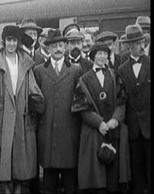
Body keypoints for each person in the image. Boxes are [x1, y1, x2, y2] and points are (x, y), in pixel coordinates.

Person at [0, 25, 45, 194]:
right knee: (5, 160)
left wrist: (34, 110)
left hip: (22, 120)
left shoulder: (25, 62)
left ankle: (17, 190)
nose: (11, 43)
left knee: (20, 162)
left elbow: (34, 90)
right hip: (3, 120)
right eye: (8, 40)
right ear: (4, 41)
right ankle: (7, 191)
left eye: (14, 40)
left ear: (18, 42)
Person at [71, 42, 130, 194]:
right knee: (96, 181)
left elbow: (122, 102)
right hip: (93, 134)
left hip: (113, 132)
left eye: (105, 53)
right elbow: (81, 108)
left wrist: (115, 120)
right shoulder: (83, 79)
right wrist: (99, 123)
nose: (103, 56)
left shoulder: (115, 75)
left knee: (113, 180)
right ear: (93, 56)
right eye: (99, 53)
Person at [33, 29, 82, 194]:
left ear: (66, 47)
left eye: (61, 45)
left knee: (70, 184)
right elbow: (35, 100)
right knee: (48, 183)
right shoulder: (39, 71)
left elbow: (80, 100)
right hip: (47, 134)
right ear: (48, 48)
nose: (58, 49)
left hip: (69, 133)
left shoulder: (75, 70)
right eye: (54, 46)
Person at [118, 24, 150, 194]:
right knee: (136, 172)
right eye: (138, 43)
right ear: (129, 45)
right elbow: (121, 99)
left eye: (143, 42)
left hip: (149, 128)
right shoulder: (122, 70)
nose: (142, 46)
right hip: (133, 130)